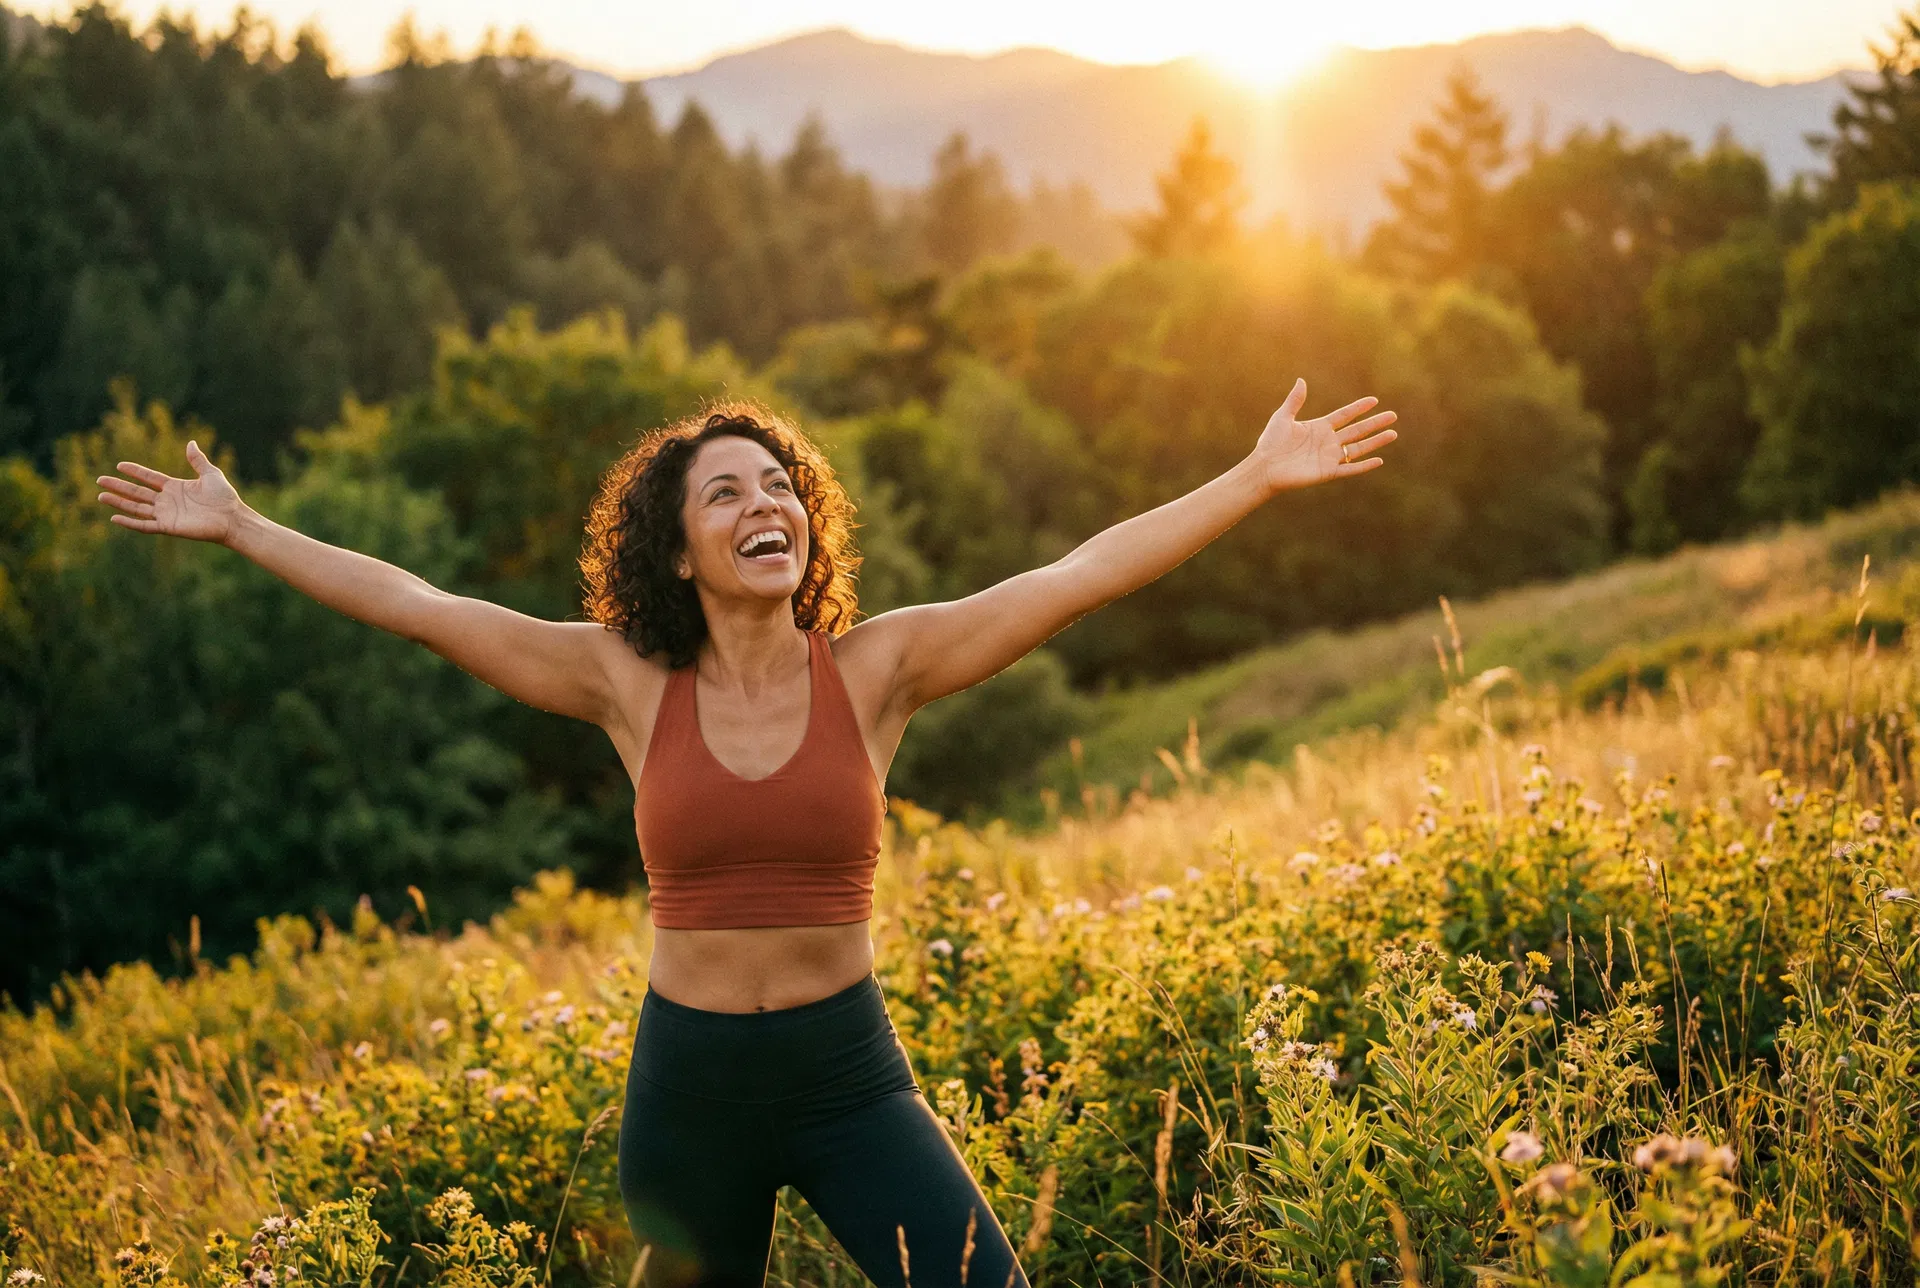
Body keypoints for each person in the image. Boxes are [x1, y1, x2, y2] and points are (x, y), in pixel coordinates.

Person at [94, 378, 1397, 1287]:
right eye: (726, 494)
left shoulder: (881, 668)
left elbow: (1077, 575)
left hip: (849, 1081)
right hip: (691, 1092)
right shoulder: (627, 683)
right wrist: (246, 528)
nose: (764, 503)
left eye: (779, 486)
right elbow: (422, 603)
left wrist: (1254, 476)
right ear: (676, 551)